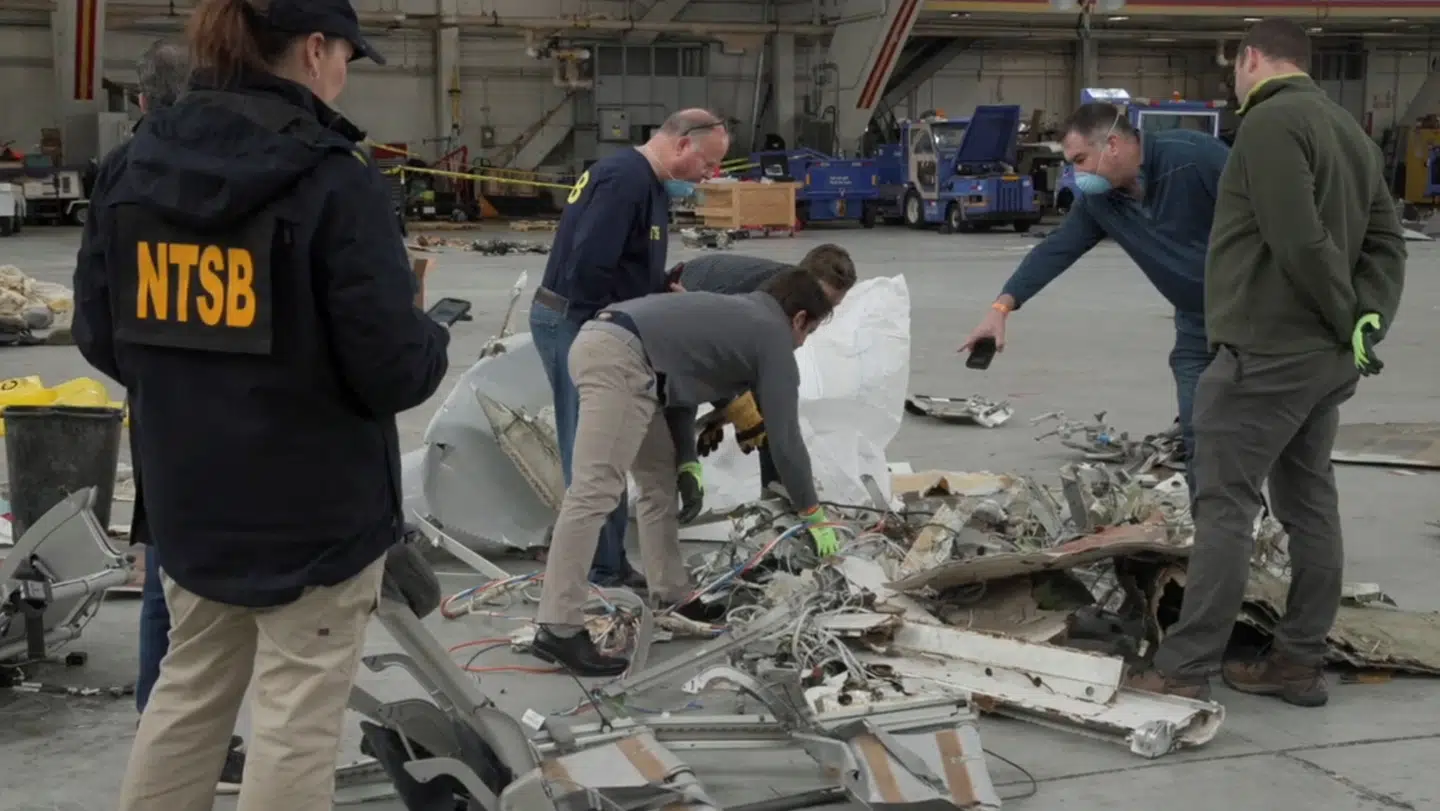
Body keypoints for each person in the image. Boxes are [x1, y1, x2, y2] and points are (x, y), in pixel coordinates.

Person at [72, 0, 450, 808]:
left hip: (190, 497)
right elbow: (392, 370)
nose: (345, 73)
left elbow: (102, 335)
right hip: (314, 514)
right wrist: (430, 337)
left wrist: (190, 387)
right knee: (294, 715)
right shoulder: (333, 178)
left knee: (187, 691)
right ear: (314, 50)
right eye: (348, 54)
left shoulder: (133, 166)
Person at [1127, 19, 1405, 707]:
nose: (1234, 83)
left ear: (1252, 59)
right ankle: (1296, 661)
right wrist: (1367, 319)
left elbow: (1299, 240)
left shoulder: (1271, 124)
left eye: (1234, 70)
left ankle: (1185, 665)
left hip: (1266, 353)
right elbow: (1387, 242)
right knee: (1310, 503)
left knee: (1225, 507)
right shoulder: (1350, 131)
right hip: (1321, 361)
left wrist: (1346, 313)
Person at [531, 268, 841, 676]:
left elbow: (678, 390)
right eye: (808, 333)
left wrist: (688, 461)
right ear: (799, 318)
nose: (802, 344)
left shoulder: (740, 313)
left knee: (659, 482)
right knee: (594, 492)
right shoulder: (774, 336)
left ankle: (673, 596)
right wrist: (812, 513)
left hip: (621, 350)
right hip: (620, 359)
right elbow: (786, 440)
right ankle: (558, 625)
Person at [960, 103, 1231, 492]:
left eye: (1081, 159)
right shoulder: (1101, 203)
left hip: (1250, 316)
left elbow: (1271, 213)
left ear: (1114, 145)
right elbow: (1056, 250)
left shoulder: (1194, 157)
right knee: (1199, 432)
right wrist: (1001, 307)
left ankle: (1243, 519)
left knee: (1253, 435)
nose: (1076, 173)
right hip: (1195, 325)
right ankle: (1215, 534)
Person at [121, 37, 250, 794]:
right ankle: (188, 730)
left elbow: (102, 316)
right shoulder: (228, 168)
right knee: (206, 586)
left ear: (141, 102)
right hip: (221, 403)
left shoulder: (126, 175)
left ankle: (163, 722)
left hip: (160, 401)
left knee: (168, 568)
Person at [530, 109, 730, 591]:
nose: (710, 175)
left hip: (600, 318)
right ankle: (598, 571)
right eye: (708, 163)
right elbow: (587, 267)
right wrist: (614, 327)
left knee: (614, 443)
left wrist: (659, 291)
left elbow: (623, 263)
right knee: (595, 451)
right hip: (578, 320)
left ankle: (610, 560)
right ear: (682, 145)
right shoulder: (624, 181)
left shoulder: (650, 185)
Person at [670, 244, 857, 493]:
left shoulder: (791, 306)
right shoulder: (771, 302)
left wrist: (723, 414)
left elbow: (758, 378)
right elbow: (712, 355)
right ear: (803, 282)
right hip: (680, 301)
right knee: (674, 415)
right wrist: (730, 404)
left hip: (709, 324)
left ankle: (777, 496)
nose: (821, 314)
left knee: (767, 412)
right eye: (822, 302)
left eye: (831, 308)